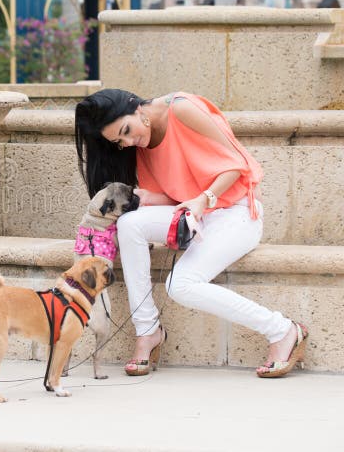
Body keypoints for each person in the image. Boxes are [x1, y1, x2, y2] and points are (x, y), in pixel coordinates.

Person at [73, 88, 308, 378]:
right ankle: (147, 330)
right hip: (195, 215)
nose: (129, 142)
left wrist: (204, 199)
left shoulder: (181, 109)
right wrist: (145, 198)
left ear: (136, 109)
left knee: (180, 285)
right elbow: (175, 195)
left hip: (236, 213)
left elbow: (237, 162)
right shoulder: (142, 143)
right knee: (129, 224)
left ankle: (283, 330)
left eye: (126, 131)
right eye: (119, 142)